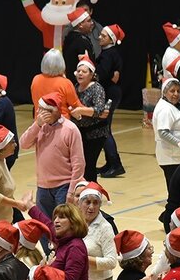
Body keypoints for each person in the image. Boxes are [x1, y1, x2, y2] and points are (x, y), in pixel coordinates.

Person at [20, 93, 86, 229]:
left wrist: (71, 191)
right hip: (43, 186)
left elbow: (79, 163)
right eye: (40, 110)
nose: (41, 113)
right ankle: (47, 245)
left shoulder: (71, 129)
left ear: (56, 111)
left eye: (45, 110)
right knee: (43, 227)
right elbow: (23, 144)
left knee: (64, 227)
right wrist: (37, 125)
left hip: (64, 186)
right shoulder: (40, 127)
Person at [70, 54, 109, 182]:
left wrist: (80, 110)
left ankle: (92, 189)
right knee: (80, 164)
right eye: (78, 71)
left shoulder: (97, 88)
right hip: (80, 132)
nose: (80, 74)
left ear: (92, 74)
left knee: (89, 165)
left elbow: (99, 110)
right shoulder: (75, 87)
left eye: (84, 71)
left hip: (96, 133)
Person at [96, 23, 126, 179]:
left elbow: (101, 73)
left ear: (111, 39)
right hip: (111, 92)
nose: (99, 37)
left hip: (110, 94)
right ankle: (110, 162)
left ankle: (116, 164)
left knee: (104, 128)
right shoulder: (109, 53)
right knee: (105, 128)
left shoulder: (109, 54)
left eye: (103, 35)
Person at [153, 76, 180, 189]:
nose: (176, 94)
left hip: (177, 157)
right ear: (164, 92)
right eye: (172, 91)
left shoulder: (174, 106)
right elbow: (163, 132)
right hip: (171, 158)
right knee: (176, 191)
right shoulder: (165, 109)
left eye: (178, 91)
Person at [30, 49, 82, 120]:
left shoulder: (35, 79)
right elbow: (76, 106)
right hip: (61, 123)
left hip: (40, 121)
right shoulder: (65, 83)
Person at [62, 6, 95, 84]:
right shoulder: (81, 42)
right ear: (80, 24)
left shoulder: (69, 38)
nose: (92, 23)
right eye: (89, 21)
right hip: (81, 84)